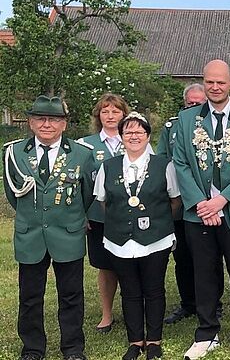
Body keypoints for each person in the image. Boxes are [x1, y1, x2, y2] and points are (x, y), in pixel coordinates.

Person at [174, 60, 230, 360]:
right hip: (199, 212)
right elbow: (181, 163)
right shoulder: (186, 119)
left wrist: (222, 200)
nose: (215, 87)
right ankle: (206, 332)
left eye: (221, 82)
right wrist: (202, 203)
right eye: (210, 82)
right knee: (204, 273)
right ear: (204, 81)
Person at [4, 95, 95, 360]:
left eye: (54, 119)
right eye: (40, 118)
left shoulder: (82, 154)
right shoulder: (13, 153)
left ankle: (73, 348)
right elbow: (13, 194)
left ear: (64, 124)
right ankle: (32, 348)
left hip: (67, 233)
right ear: (30, 122)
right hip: (30, 235)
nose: (47, 124)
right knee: (30, 296)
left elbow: (86, 194)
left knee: (71, 295)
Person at [94, 112, 180, 360]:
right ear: (121, 136)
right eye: (128, 132)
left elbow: (174, 201)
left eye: (139, 131)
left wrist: (156, 223)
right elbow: (103, 201)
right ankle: (135, 341)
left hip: (156, 240)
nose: (134, 136)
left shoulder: (164, 165)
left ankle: (153, 341)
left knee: (154, 289)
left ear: (148, 136)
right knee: (129, 291)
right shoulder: (108, 166)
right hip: (120, 241)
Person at [158, 84, 224, 325]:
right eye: (190, 103)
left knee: (211, 256)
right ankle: (188, 303)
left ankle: (215, 303)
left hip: (207, 203)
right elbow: (162, 161)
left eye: (199, 103)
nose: (194, 107)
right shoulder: (172, 127)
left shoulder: (215, 124)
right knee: (182, 256)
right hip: (180, 202)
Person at [78, 93, 133, 333]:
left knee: (133, 263)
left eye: (116, 111)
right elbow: (78, 184)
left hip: (130, 216)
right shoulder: (85, 145)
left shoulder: (135, 139)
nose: (110, 116)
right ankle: (107, 314)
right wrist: (82, 213)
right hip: (98, 217)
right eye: (105, 111)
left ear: (124, 115)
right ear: (98, 115)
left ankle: (134, 311)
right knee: (106, 266)